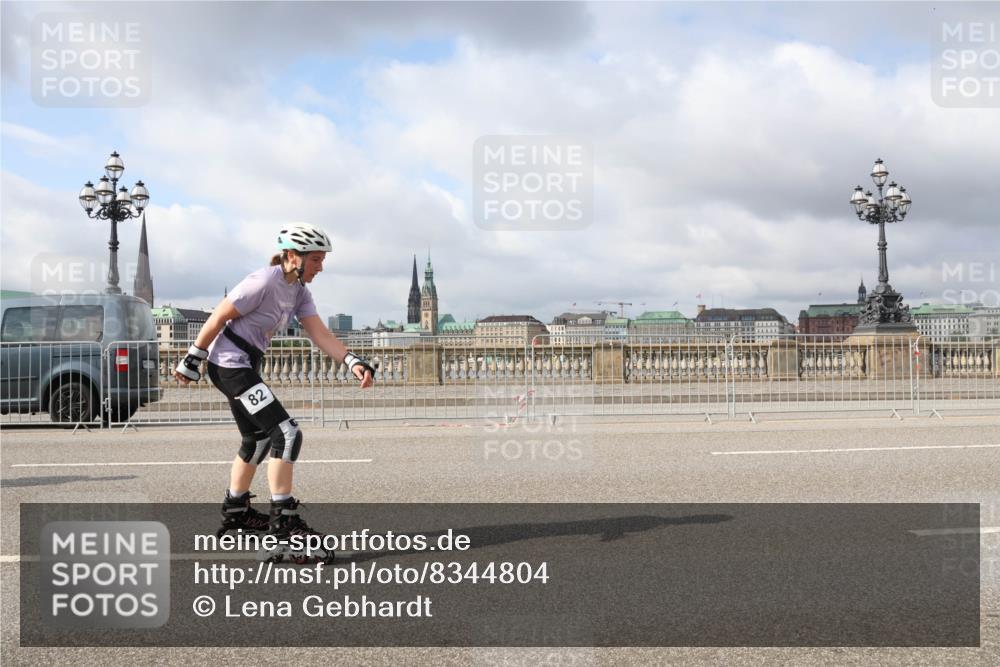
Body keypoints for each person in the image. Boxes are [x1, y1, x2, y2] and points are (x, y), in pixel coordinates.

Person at [173, 223, 374, 563]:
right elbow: (220, 315)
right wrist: (192, 358)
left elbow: (320, 334)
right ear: (293, 257)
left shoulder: (299, 292)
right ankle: (284, 522)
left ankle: (236, 511)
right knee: (286, 433)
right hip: (229, 364)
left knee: (258, 440)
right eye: (316, 260)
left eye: (322, 260)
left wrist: (352, 360)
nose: (321, 267)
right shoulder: (263, 282)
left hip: (246, 365)